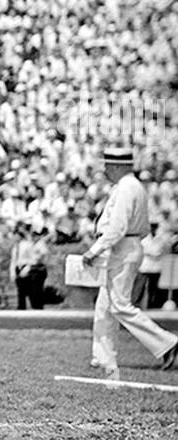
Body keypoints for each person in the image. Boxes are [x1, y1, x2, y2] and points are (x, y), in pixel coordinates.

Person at [81, 146, 177, 379]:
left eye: (107, 166)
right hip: (127, 246)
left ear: (116, 166)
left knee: (120, 305)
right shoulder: (133, 187)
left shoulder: (126, 188)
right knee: (104, 305)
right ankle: (103, 357)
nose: (104, 170)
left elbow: (118, 226)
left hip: (121, 247)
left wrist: (95, 250)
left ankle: (167, 342)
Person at [9, 224, 46, 310]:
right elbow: (13, 260)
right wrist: (12, 272)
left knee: (32, 290)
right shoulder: (15, 247)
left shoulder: (27, 245)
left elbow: (33, 258)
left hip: (27, 267)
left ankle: (36, 307)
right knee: (20, 290)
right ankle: (21, 307)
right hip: (18, 267)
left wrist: (28, 267)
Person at [133, 221, 167, 310]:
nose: (153, 228)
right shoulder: (144, 238)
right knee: (139, 288)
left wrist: (150, 252)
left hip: (156, 267)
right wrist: (151, 253)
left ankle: (152, 306)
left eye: (154, 226)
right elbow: (144, 250)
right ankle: (136, 305)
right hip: (144, 267)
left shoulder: (161, 237)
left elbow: (159, 251)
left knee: (153, 289)